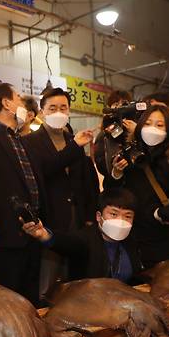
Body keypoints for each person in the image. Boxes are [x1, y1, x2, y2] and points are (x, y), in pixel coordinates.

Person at [0, 83, 93, 305]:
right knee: (3, 299)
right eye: (17, 98)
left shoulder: (19, 140)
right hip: (2, 235)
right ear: (6, 103)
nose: (22, 104)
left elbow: (48, 166)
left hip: (30, 233)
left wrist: (75, 145)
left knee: (28, 299)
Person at [105, 105, 169, 269]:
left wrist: (162, 214)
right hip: (132, 237)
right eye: (147, 123)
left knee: (166, 285)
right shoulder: (133, 155)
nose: (152, 129)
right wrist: (117, 173)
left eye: (159, 125)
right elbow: (115, 194)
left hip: (165, 240)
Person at [22, 88, 98, 295]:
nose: (58, 112)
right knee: (48, 279)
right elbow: (43, 170)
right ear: (42, 111)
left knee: (76, 278)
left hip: (77, 217)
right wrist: (74, 147)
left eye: (63, 108)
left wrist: (90, 216)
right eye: (52, 108)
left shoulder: (73, 139)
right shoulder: (29, 142)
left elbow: (86, 180)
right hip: (49, 217)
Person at [22, 188, 142, 284]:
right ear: (99, 217)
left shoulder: (132, 240)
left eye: (127, 216)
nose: (120, 221)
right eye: (114, 214)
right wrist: (43, 234)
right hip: (87, 304)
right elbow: (67, 242)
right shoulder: (85, 238)